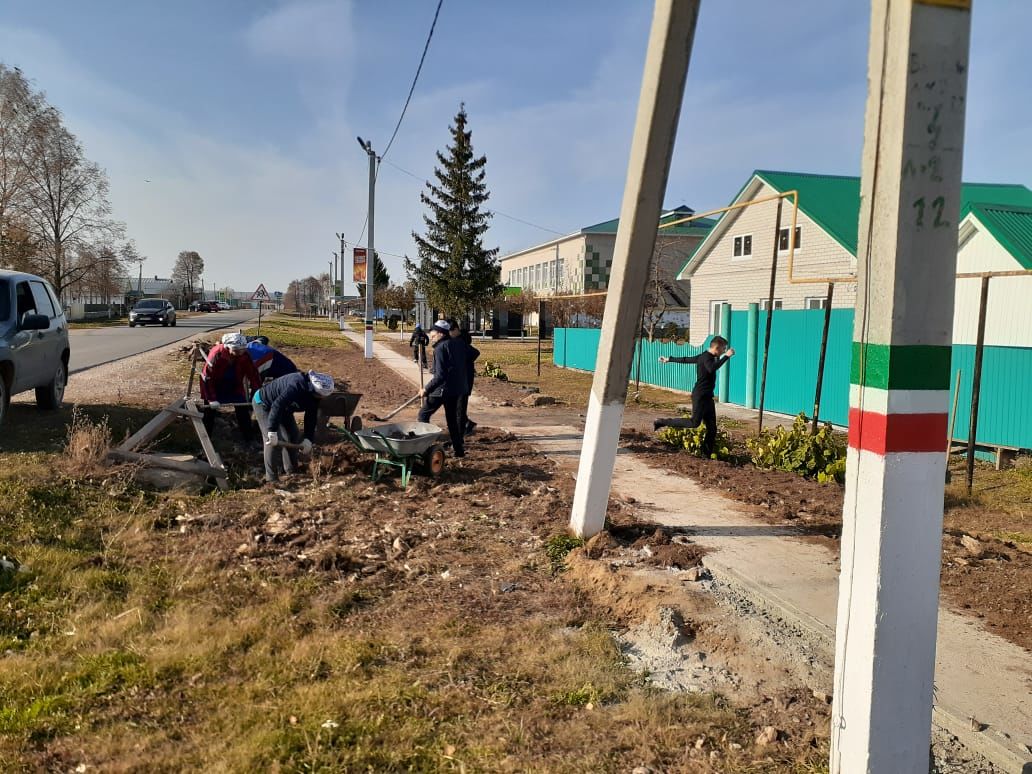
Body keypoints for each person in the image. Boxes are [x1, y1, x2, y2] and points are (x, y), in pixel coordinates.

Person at [654, 335, 735, 458]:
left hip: (708, 397)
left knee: (712, 428)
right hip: (700, 396)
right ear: (717, 348)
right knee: (694, 423)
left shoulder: (706, 356)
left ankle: (705, 455)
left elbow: (687, 359)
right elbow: (712, 369)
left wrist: (669, 359)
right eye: (723, 349)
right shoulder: (707, 358)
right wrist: (726, 357)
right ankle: (662, 422)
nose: (724, 351)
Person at [252, 370, 334, 483]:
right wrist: (271, 430)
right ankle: (271, 479)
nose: (320, 398)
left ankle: (291, 470)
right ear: (313, 388)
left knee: (293, 434)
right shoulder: (297, 384)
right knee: (272, 442)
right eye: (319, 395)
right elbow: (277, 405)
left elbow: (311, 416)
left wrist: (308, 439)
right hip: (264, 403)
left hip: (285, 408)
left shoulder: (315, 397)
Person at [417, 319, 468, 457]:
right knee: (451, 420)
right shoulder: (458, 343)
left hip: (442, 389)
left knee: (423, 414)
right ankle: (459, 450)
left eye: (433, 334)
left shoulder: (440, 348)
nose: (431, 336)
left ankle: (425, 447)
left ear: (440, 333)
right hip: (456, 389)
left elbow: (440, 376)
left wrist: (426, 389)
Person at [200, 332, 262, 443]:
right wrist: (211, 399)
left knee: (243, 413)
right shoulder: (216, 354)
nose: (240, 353)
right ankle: (205, 440)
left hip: (234, 385)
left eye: (242, 350)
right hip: (214, 386)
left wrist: (258, 391)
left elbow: (253, 373)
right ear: (228, 347)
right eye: (237, 350)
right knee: (209, 413)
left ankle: (249, 439)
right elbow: (207, 378)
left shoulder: (244, 354)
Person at [446, 319, 480, 437]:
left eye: (449, 331)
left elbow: (475, 353)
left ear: (456, 330)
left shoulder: (460, 342)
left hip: (463, 380)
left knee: (459, 408)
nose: (447, 333)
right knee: (455, 407)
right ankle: (467, 424)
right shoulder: (455, 340)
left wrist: (461, 364)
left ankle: (458, 436)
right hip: (456, 380)